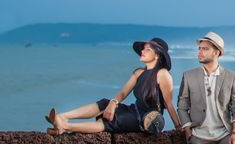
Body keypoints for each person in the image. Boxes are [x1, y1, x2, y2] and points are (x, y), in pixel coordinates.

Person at [45, 37, 181, 135]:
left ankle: (65, 127)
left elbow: (168, 104)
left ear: (157, 55)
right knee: (104, 103)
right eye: (143, 49)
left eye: (148, 49)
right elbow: (122, 94)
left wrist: (178, 126)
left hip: (147, 119)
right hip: (134, 110)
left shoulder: (162, 74)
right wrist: (113, 103)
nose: (143, 51)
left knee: (111, 121)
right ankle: (62, 117)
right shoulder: (139, 73)